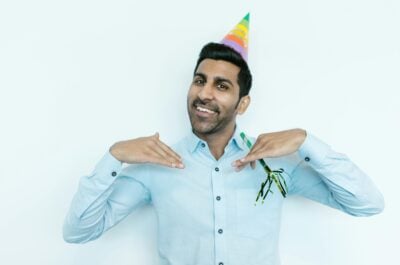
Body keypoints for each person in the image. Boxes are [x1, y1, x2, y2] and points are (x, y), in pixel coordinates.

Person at [63, 14, 384, 265]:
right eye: (199, 81)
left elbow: (367, 204)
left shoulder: (276, 166)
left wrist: (306, 141)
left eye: (221, 86)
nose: (203, 93)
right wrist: (114, 156)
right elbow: (79, 232)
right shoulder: (157, 165)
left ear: (242, 103)